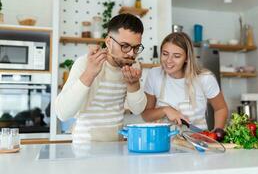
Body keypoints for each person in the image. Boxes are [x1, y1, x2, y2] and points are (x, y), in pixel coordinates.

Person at [55, 14, 147, 143]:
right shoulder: (85, 63)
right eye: (125, 46)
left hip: (117, 145)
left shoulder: (133, 64)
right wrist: (89, 73)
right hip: (84, 148)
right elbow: (62, 113)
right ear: (109, 42)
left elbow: (138, 110)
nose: (132, 53)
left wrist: (134, 84)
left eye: (136, 47)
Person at [142, 32, 228, 130]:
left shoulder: (205, 78)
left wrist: (217, 133)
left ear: (187, 58)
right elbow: (146, 115)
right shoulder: (154, 74)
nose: (168, 60)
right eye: (165, 54)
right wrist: (165, 110)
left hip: (196, 140)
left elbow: (221, 108)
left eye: (177, 56)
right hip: (163, 141)